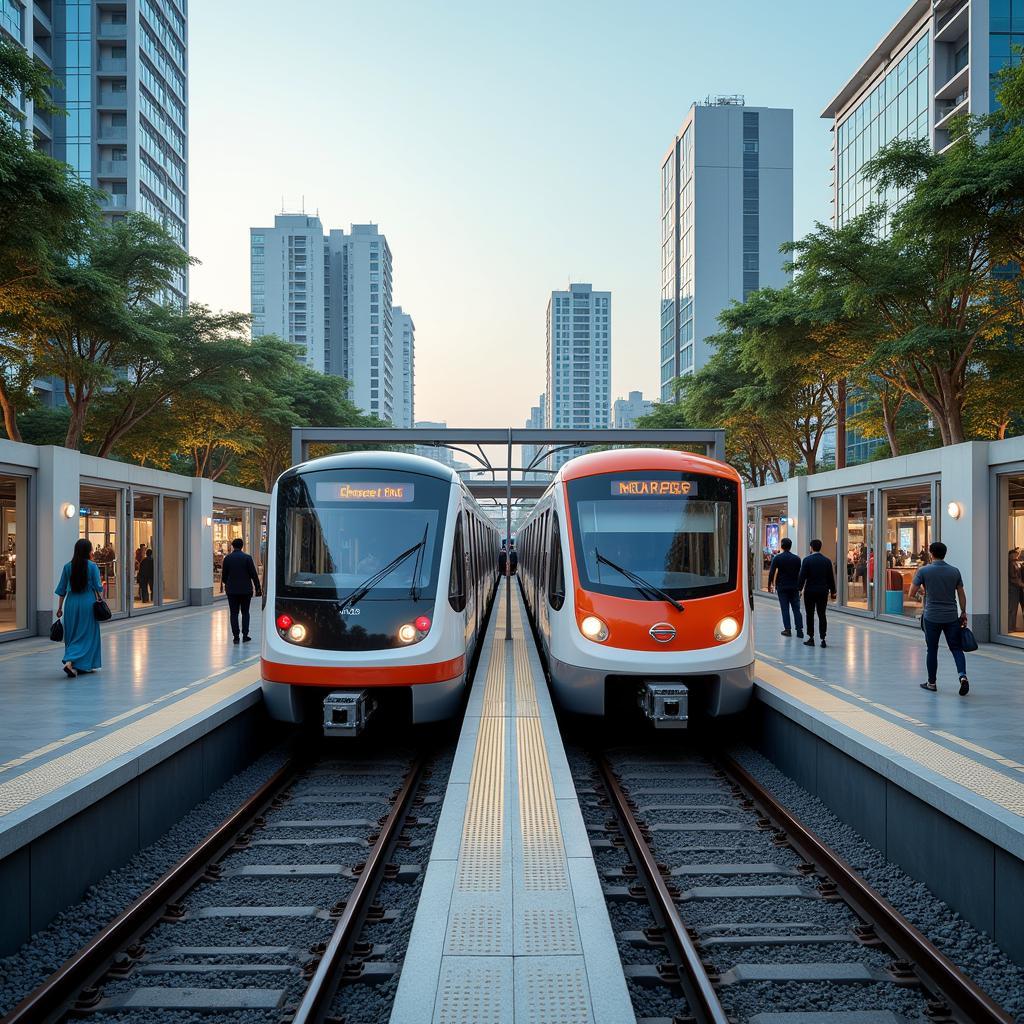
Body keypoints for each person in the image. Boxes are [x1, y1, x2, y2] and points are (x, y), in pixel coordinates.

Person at [909, 541, 969, 695]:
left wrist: (923, 594)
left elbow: (911, 592)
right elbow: (961, 594)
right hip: (950, 616)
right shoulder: (954, 571)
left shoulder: (924, 571)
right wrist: (963, 612)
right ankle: (962, 676)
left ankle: (931, 683)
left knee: (932, 649)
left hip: (932, 616)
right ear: (945, 554)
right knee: (956, 648)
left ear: (931, 553)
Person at [55, 538, 104, 678]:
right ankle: (70, 661)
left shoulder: (67, 567)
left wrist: (59, 608)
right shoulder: (92, 566)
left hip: (71, 603)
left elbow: (61, 590)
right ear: (88, 551)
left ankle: (77, 665)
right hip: (87, 602)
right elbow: (98, 587)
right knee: (87, 634)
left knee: (74, 634)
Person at [220, 536, 262, 644]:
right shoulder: (247, 558)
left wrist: (228, 584)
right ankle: (245, 635)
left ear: (232, 546)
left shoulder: (227, 559)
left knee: (233, 613)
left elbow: (224, 576)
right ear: (242, 546)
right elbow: (253, 574)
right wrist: (258, 588)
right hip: (245, 590)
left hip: (232, 591)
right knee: (245, 612)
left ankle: (235, 637)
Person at [798, 539, 837, 648]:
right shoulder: (827, 561)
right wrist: (833, 591)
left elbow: (802, 576)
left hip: (810, 591)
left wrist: (799, 589)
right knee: (822, 614)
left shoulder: (806, 560)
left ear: (811, 547)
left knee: (810, 614)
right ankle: (823, 638)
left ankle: (811, 637)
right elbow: (830, 578)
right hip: (822, 591)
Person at [767, 537, 803, 638]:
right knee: (796, 608)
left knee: (785, 608)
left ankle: (787, 629)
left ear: (782, 546)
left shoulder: (777, 558)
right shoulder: (797, 559)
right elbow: (799, 574)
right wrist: (800, 587)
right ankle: (799, 629)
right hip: (794, 587)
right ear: (790, 546)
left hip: (782, 586)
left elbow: (772, 572)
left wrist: (770, 585)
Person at [1008, 548, 1023, 633]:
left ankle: (1012, 626)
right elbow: (1012, 577)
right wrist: (1020, 584)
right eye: (1015, 554)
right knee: (1012, 607)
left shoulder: (1015, 563)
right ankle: (1010, 627)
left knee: (1015, 607)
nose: (1017, 555)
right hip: (1013, 588)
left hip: (1017, 588)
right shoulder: (1010, 564)